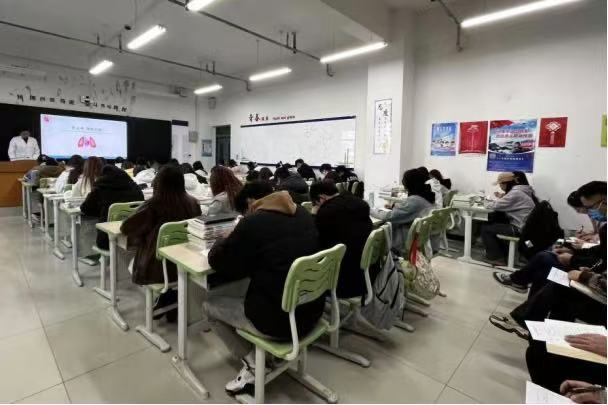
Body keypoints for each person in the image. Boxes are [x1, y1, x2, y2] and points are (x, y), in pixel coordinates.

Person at [206, 182, 322, 394]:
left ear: (251, 202)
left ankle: (252, 364)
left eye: (245, 211)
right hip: (312, 312)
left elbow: (217, 262)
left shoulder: (252, 223)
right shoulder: (304, 214)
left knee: (209, 306)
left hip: (278, 323)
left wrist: (225, 238)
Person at [121, 165, 201, 321]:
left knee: (133, 259)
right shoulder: (193, 203)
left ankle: (166, 298)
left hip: (156, 268)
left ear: (158, 182)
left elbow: (126, 227)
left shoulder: (153, 205)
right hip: (184, 264)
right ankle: (169, 298)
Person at [310, 180, 373, 299]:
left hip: (342, 281)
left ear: (321, 198)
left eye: (315, 203)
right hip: (367, 274)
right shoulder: (359, 203)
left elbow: (314, 240)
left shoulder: (326, 213)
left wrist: (314, 215)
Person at [370, 168, 435, 256]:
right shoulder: (426, 196)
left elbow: (388, 216)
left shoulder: (414, 200)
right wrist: (395, 207)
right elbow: (407, 211)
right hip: (418, 239)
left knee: (376, 230)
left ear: (410, 183)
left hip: (404, 241)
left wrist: (369, 210)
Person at [80, 165, 144, 250]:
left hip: (107, 239)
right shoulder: (136, 188)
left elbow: (85, 208)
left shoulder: (101, 187)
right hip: (134, 237)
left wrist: (102, 212)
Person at [480, 172, 536, 266]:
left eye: (500, 184)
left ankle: (496, 258)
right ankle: (502, 254)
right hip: (526, 228)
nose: (500, 186)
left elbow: (495, 205)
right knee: (495, 224)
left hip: (520, 229)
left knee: (486, 229)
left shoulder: (515, 193)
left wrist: (484, 202)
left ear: (506, 184)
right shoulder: (521, 190)